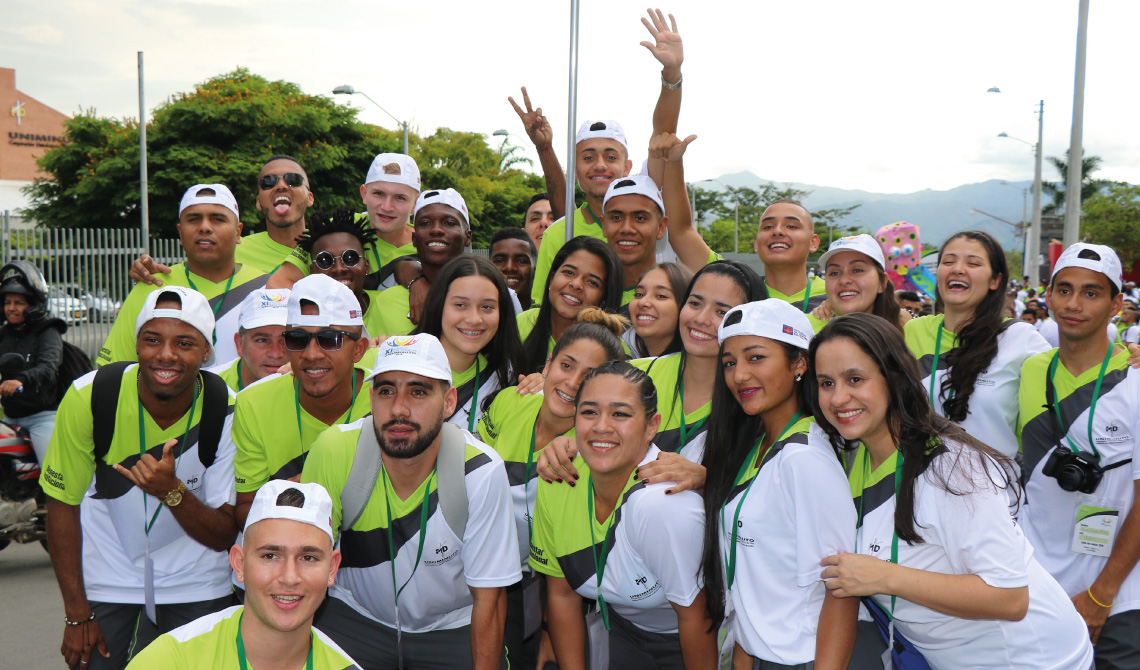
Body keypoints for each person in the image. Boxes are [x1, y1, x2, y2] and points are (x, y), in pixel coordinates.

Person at [810, 313, 1096, 670]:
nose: (838, 398)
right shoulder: (852, 457)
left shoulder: (953, 469)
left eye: (855, 379)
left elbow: (1010, 598)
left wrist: (885, 576)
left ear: (894, 378)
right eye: (826, 383)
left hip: (1034, 660)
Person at [41, 287, 239, 670]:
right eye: (152, 340)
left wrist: (172, 491)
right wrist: (76, 612)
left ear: (206, 353)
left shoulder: (226, 408)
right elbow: (61, 504)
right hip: (108, 581)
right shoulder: (91, 395)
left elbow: (223, 535)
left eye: (184, 343)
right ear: (136, 345)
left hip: (198, 584)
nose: (166, 354)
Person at [302, 334, 520, 670]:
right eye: (386, 390)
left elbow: (489, 601)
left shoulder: (479, 471)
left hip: (451, 629)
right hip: (354, 619)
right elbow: (302, 564)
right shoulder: (334, 450)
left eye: (418, 392)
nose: (399, 409)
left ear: (449, 402)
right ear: (370, 398)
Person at [529, 360, 716, 669]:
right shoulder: (558, 478)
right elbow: (562, 596)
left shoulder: (664, 505)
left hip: (688, 639)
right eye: (589, 412)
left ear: (652, 425)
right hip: (620, 630)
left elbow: (697, 618)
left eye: (620, 414)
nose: (602, 426)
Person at [702, 299, 857, 669]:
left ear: (799, 363)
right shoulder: (756, 443)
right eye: (729, 363)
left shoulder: (804, 459)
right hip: (756, 653)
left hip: (800, 659)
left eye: (756, 358)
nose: (739, 375)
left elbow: (841, 590)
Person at [477, 307, 627, 670]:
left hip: (547, 591)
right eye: (566, 366)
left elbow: (566, 570)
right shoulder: (508, 402)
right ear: (547, 364)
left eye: (589, 376)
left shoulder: (594, 457)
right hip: (480, 572)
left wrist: (546, 628)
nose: (573, 383)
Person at [536, 261, 768, 496]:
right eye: (695, 303)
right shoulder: (633, 375)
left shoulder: (753, 397)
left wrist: (707, 478)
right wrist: (566, 443)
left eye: (721, 312)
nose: (701, 318)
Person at [1017, 243, 1140, 665]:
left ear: (1116, 304)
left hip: (1117, 595)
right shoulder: (1031, 368)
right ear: (1047, 295)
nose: (1074, 304)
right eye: (1064, 289)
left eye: (1091, 293)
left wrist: (1101, 596)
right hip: (1038, 587)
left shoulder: (1135, 378)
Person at [518, 9, 686, 305]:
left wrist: (671, 76)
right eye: (588, 157)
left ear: (628, 167)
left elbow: (663, 135)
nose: (599, 166)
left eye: (610, 157)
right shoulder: (559, 233)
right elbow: (543, 308)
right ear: (577, 170)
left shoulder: (647, 198)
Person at [125, 481, 360, 669]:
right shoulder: (174, 659)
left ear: (331, 569)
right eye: (270, 556)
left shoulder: (344, 666)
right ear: (239, 564)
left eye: (308, 558)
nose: (290, 578)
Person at [233, 274, 371, 527]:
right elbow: (244, 510)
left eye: (330, 339)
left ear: (359, 349)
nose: (311, 354)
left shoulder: (388, 393)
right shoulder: (254, 403)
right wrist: (287, 499)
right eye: (298, 339)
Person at [904, 231, 1050, 461]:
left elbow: (1074, 373)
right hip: (920, 488)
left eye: (973, 263)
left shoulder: (1020, 338)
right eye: (948, 261)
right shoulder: (914, 331)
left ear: (995, 280)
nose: (958, 269)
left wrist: (1126, 355)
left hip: (995, 490)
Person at [99, 184, 267, 367]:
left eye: (218, 219)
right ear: (180, 232)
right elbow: (114, 370)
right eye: (194, 219)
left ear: (238, 232)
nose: (204, 227)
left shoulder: (265, 287)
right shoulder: (152, 287)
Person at [128, 155, 315, 285]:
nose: (281, 185)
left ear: (310, 197)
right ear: (258, 202)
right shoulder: (231, 250)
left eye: (293, 180)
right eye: (268, 182)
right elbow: (186, 279)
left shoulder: (336, 244)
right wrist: (144, 274)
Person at [269, 153, 421, 291]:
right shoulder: (334, 230)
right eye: (379, 194)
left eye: (400, 197)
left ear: (415, 204)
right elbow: (278, 283)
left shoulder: (429, 243)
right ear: (364, 194)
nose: (387, 207)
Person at [412, 255, 526, 432]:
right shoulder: (390, 362)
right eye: (460, 305)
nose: (474, 319)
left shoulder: (508, 380)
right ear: (439, 305)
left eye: (487, 307)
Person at [373, 188, 472, 337]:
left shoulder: (493, 294)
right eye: (425, 223)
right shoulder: (386, 300)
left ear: (467, 237)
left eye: (449, 223)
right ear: (414, 239)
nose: (436, 230)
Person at [518, 236, 624, 374]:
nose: (576, 284)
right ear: (551, 278)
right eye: (569, 272)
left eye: (592, 282)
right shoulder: (518, 325)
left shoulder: (613, 351)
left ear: (604, 300)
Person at [0, 261, 66, 463]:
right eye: (7, 302)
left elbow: (49, 367)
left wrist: (20, 380)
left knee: (52, 476)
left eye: (18, 303)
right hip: (11, 415)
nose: (11, 308)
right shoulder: (5, 333)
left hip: (41, 417)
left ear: (32, 305)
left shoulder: (48, 331)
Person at [293, 207, 385, 338]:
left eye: (350, 258)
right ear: (312, 272)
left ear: (366, 266)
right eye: (325, 260)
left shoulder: (392, 303)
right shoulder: (298, 318)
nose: (339, 268)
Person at [809, 234, 909, 333]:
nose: (844, 280)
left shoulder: (911, 332)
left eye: (857, 270)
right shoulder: (805, 330)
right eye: (834, 273)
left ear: (882, 282)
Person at [207, 288, 290, 392]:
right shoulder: (207, 388)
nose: (275, 354)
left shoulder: (309, 385)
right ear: (239, 344)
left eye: (286, 340)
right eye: (262, 340)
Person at [754, 199, 827, 312]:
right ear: (756, 243)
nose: (777, 231)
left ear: (813, 243)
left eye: (792, 226)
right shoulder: (740, 296)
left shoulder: (835, 297)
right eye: (768, 227)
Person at [625, 262, 693, 359]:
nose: (643, 302)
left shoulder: (693, 370)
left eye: (661, 296)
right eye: (639, 294)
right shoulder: (620, 362)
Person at [489, 227, 537, 308]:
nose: (510, 267)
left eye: (521, 261)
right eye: (500, 260)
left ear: (535, 268)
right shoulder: (479, 317)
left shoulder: (548, 318)